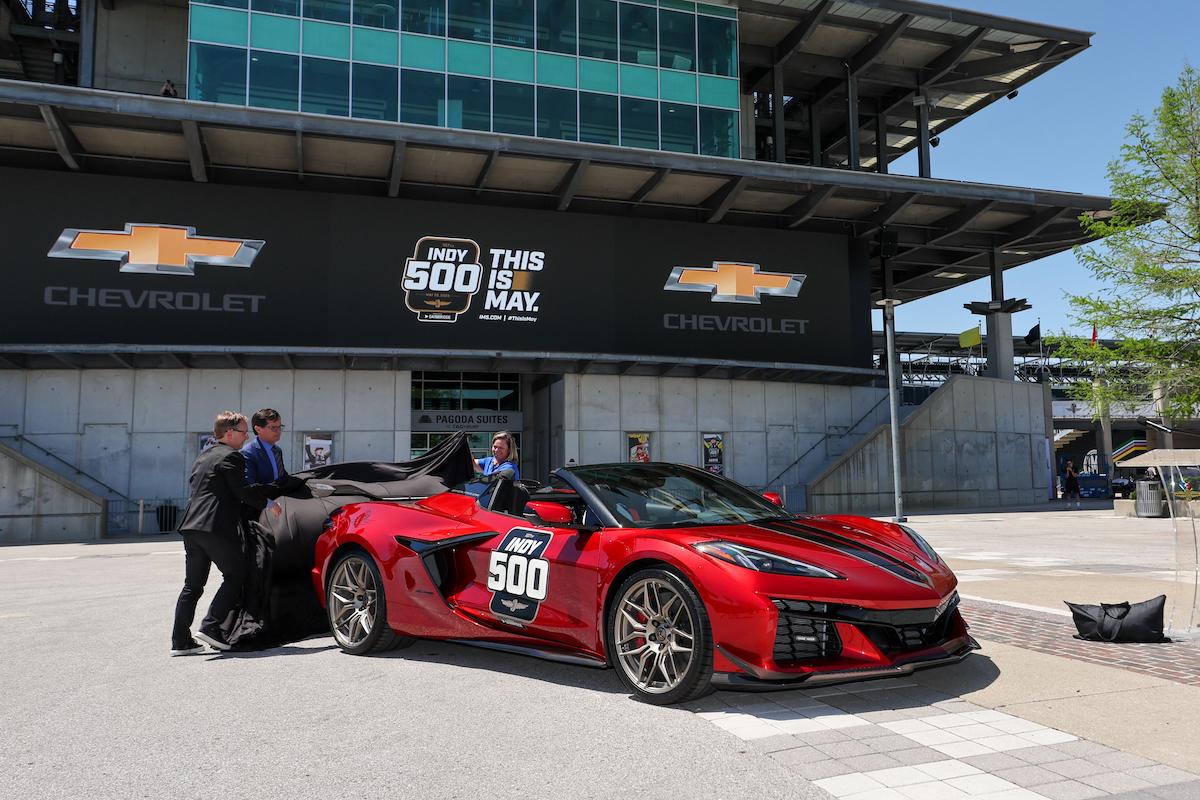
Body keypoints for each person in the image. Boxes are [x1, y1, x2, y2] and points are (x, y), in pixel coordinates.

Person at [171, 411, 267, 655]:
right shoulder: (232, 457)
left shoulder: (204, 457)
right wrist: (268, 504)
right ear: (230, 433)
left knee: (192, 585)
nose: (247, 436)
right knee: (237, 575)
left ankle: (180, 641)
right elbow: (242, 491)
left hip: (191, 526)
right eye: (244, 432)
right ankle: (212, 627)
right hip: (214, 526)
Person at [241, 408, 287, 484]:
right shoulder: (248, 453)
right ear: (258, 429)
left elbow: (281, 477)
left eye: (280, 427)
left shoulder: (277, 450)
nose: (278, 431)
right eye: (273, 428)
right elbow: (250, 485)